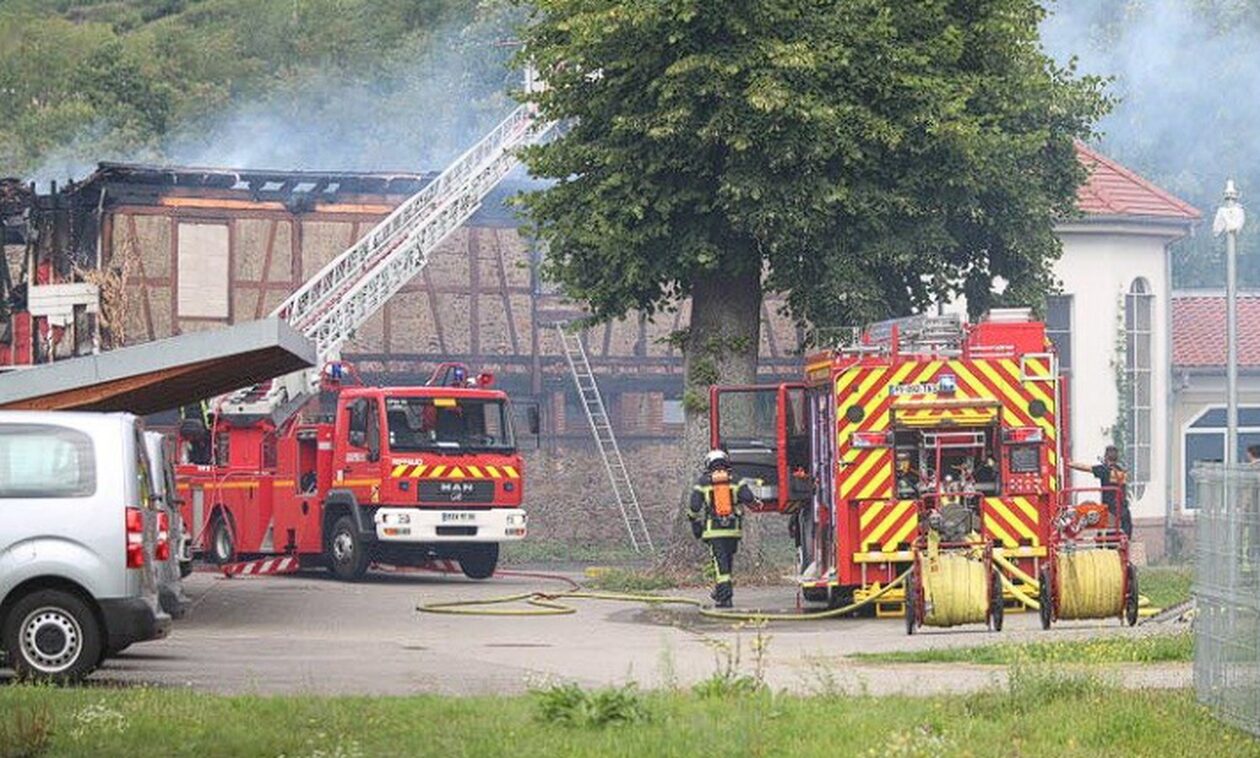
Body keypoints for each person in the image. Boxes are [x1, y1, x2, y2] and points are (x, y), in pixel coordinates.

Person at [688, 449, 754, 608]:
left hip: (714, 530)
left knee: (720, 564)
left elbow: (694, 507)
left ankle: (725, 598)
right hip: (733, 530)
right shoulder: (737, 480)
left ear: (708, 463)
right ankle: (720, 593)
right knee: (727, 562)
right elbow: (749, 498)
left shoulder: (703, 482)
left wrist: (694, 522)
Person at [1069, 445, 1131, 538]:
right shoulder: (1121, 471)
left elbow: (1086, 468)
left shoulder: (1105, 470)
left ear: (1106, 457)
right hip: (1124, 511)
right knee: (1122, 539)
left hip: (1110, 510)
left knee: (1108, 539)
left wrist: (1070, 464)